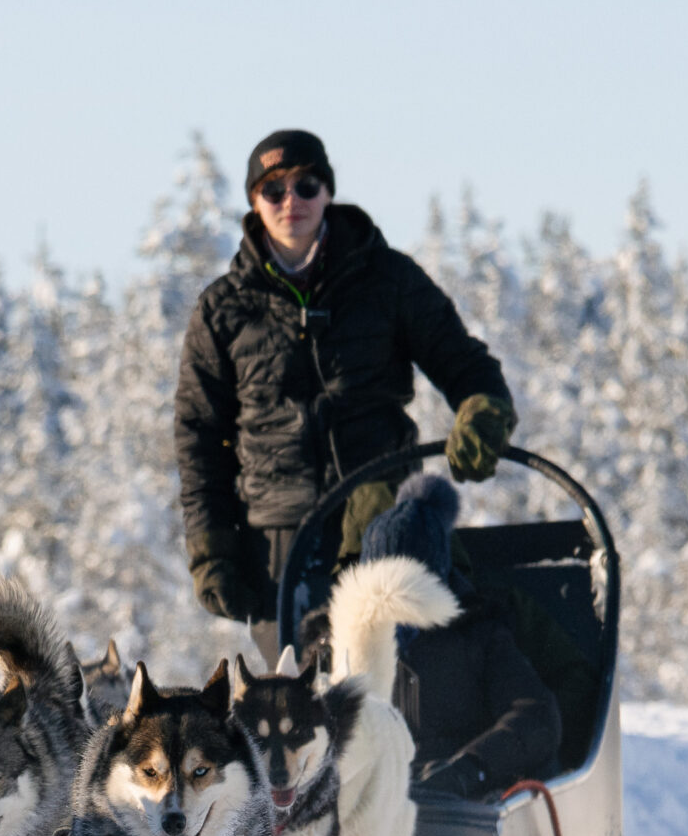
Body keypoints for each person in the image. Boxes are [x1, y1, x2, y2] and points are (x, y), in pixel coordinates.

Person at [175, 128, 517, 658]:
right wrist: (211, 549)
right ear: (253, 203)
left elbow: (466, 363)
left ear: (328, 192)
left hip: (381, 521)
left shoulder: (388, 279)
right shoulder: (222, 310)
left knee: (403, 671)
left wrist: (481, 413)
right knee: (308, 702)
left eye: (306, 185)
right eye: (274, 190)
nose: (292, 201)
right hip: (277, 542)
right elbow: (200, 440)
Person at [360, 473, 560, 800]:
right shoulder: (338, 642)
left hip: (454, 812)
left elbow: (536, 716)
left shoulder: (477, 636)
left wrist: (470, 768)